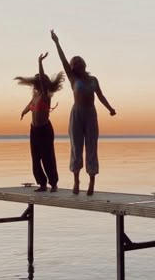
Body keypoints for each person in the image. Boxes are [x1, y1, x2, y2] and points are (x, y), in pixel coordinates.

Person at [50, 29, 116, 196]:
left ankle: (92, 181)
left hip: (90, 114)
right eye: (74, 62)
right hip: (77, 114)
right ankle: (76, 180)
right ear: (73, 67)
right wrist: (57, 43)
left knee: (92, 147)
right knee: (76, 147)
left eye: (79, 61)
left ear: (84, 64)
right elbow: (63, 60)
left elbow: (100, 95)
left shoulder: (93, 80)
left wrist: (110, 109)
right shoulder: (74, 79)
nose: (77, 62)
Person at [15, 53, 64, 192]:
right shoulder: (35, 95)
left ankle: (53, 183)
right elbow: (30, 104)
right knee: (35, 158)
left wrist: (40, 62)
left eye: (40, 79)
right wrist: (24, 112)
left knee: (47, 157)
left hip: (45, 129)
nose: (38, 80)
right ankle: (42, 184)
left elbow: (42, 79)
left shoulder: (45, 93)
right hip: (34, 130)